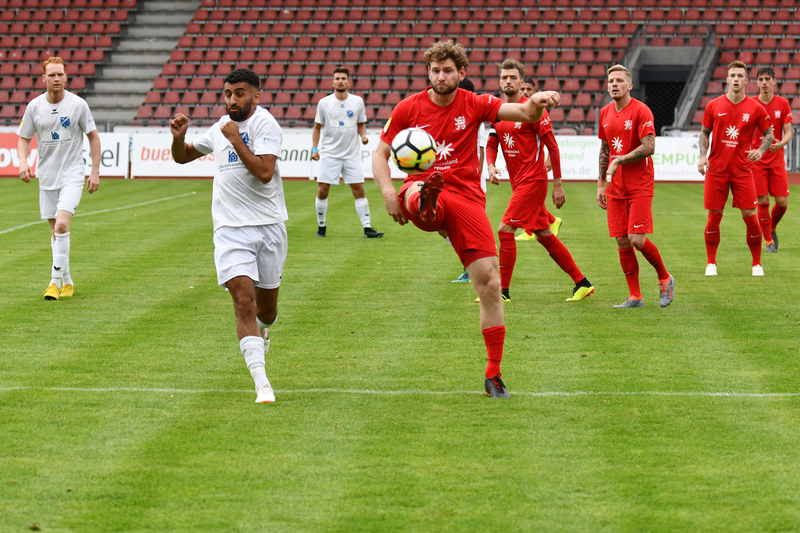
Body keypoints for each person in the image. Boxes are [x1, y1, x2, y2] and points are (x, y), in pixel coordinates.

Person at [372, 40, 561, 398]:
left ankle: (493, 374)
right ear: (428, 72)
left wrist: (534, 102)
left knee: (490, 284)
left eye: (447, 70)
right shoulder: (408, 108)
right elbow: (380, 156)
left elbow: (523, 115)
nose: (440, 76)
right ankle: (425, 206)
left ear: (461, 73)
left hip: (467, 198)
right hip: (420, 186)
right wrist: (387, 194)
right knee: (420, 192)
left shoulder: (474, 103)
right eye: (434, 70)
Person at [170, 68, 287, 404]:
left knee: (267, 313)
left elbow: (265, 173)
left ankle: (263, 335)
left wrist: (236, 138)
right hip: (229, 229)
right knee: (243, 301)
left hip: (268, 227)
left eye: (239, 93)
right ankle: (261, 382)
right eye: (227, 93)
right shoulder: (220, 126)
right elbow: (183, 157)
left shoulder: (265, 125)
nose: (232, 100)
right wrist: (179, 138)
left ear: (256, 95)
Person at [486, 58, 594, 302]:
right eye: (504, 77)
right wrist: (491, 165)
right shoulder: (497, 111)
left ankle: (501, 292)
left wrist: (557, 184)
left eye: (513, 77)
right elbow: (493, 142)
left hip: (533, 181)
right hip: (518, 183)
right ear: (499, 81)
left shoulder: (534, 111)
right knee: (545, 235)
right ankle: (582, 283)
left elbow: (552, 148)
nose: (508, 81)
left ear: (522, 82)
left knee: (505, 231)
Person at [17, 57, 100, 300]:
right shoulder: (34, 107)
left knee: (63, 225)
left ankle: (53, 283)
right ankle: (68, 281)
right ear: (43, 79)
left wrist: (94, 171)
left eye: (60, 75)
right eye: (51, 75)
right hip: (47, 176)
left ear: (66, 77)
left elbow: (93, 136)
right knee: (55, 233)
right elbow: (23, 138)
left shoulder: (78, 105)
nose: (56, 79)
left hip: (72, 175)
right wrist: (23, 161)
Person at [597, 65, 674, 308]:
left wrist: (620, 160)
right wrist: (600, 183)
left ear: (629, 85)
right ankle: (635, 296)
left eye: (619, 80)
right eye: (611, 81)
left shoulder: (642, 110)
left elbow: (649, 146)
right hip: (614, 186)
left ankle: (665, 277)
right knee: (621, 241)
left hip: (640, 184)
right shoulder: (604, 113)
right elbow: (605, 149)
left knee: (637, 239)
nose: (614, 84)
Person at [699, 60, 773, 277]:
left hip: (743, 171)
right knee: (714, 216)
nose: (736, 79)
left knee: (751, 215)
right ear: (727, 79)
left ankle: (757, 264)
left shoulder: (756, 109)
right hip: (717, 170)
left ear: (747, 81)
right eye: (733, 75)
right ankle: (711, 263)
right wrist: (703, 156)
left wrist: (760, 151)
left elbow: (769, 134)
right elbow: (704, 132)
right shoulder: (714, 105)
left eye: (741, 76)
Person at [311, 67, 383, 238]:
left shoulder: (357, 102)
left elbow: (360, 123)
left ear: (348, 82)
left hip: (351, 154)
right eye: (337, 78)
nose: (340, 81)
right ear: (333, 82)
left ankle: (367, 228)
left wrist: (363, 136)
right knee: (322, 190)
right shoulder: (324, 103)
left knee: (358, 189)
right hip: (330, 154)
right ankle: (321, 227)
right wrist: (315, 148)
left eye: (343, 78)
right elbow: (317, 127)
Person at [751, 66, 792, 253]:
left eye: (768, 79)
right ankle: (768, 241)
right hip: (757, 160)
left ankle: (772, 227)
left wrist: (781, 144)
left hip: (777, 159)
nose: (765, 82)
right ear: (757, 82)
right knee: (763, 200)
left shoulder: (783, 103)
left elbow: (788, 132)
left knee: (782, 202)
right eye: (761, 79)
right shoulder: (751, 104)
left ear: (774, 81)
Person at [515, 78, 562, 242]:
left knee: (527, 198)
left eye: (529, 89)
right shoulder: (514, 109)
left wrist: (549, 157)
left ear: (535, 92)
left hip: (533, 164)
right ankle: (552, 221)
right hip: (518, 164)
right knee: (531, 199)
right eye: (523, 89)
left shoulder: (539, 110)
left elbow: (549, 138)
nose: (526, 92)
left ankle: (529, 231)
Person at [452, 77, 487, 284]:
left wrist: (477, 177)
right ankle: (470, 264)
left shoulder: (474, 117)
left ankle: (473, 266)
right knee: (446, 227)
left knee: (468, 229)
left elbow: (480, 151)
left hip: (471, 181)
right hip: (455, 179)